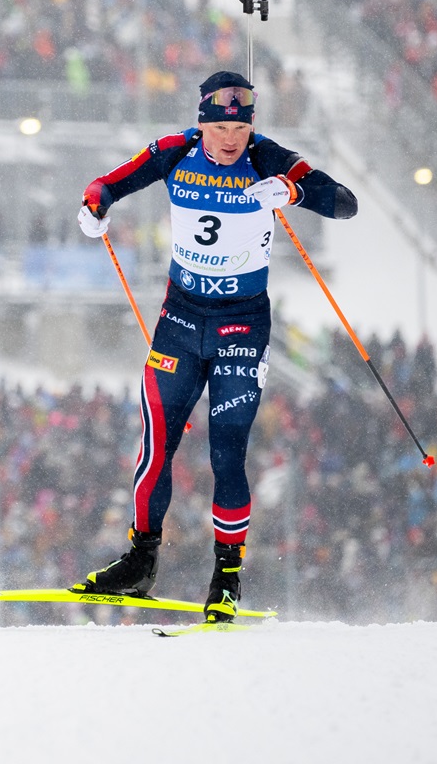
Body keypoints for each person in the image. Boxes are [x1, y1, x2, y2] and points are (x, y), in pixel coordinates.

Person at [71, 70, 358, 621]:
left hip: (240, 325)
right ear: (203, 122)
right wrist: (94, 208)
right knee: (157, 443)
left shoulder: (268, 157)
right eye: (221, 127)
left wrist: (294, 191)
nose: (231, 140)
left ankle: (226, 577)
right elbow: (107, 184)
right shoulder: (175, 151)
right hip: (180, 319)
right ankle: (140, 560)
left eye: (241, 128)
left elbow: (344, 203)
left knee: (227, 452)